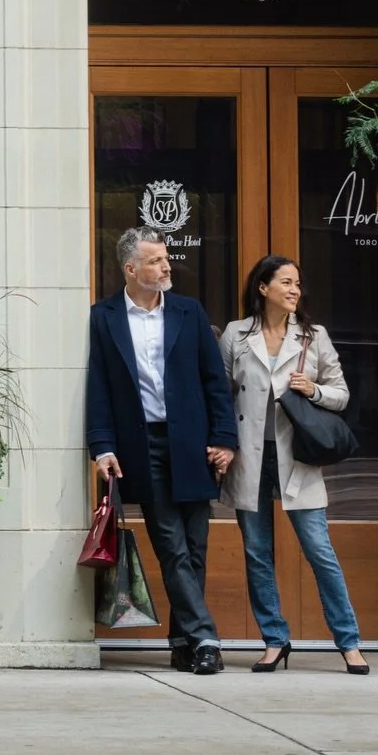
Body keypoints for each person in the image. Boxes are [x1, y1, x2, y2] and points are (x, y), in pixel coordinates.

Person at [87, 227, 237, 674]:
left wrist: (225, 439)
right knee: (171, 544)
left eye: (166, 258)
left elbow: (216, 382)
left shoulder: (190, 313)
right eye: (155, 260)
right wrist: (102, 446)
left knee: (194, 548)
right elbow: (98, 388)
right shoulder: (104, 317)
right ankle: (207, 638)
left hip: (192, 445)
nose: (167, 265)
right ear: (131, 269)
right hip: (141, 444)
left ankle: (182, 642)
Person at [219, 255, 369, 675]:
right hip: (251, 458)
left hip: (296, 458)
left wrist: (314, 390)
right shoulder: (236, 334)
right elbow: (221, 396)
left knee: (320, 551)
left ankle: (350, 642)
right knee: (257, 553)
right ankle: (274, 639)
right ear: (263, 287)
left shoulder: (312, 337)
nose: (294, 290)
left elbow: (341, 394)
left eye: (298, 284)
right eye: (285, 282)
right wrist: (222, 446)